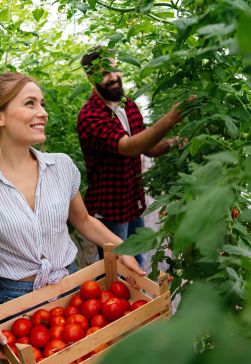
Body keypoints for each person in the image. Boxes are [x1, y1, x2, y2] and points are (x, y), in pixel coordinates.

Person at [0, 72, 146, 364]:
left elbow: (83, 220)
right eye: (30, 104)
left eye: (42, 103)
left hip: (68, 288)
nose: (43, 112)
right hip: (15, 302)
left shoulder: (61, 167)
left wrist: (121, 246)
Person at [77, 46, 191, 265]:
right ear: (90, 77)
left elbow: (146, 148)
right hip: (109, 210)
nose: (112, 77)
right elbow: (128, 147)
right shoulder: (90, 115)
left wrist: (174, 142)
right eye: (103, 73)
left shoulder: (128, 104)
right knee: (117, 269)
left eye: (114, 69)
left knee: (138, 259)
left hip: (133, 201)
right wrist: (171, 118)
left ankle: (140, 298)